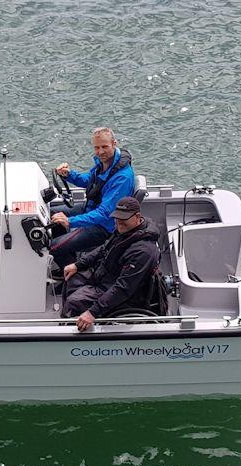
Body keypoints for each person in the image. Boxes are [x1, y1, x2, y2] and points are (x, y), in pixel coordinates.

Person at [61, 197, 160, 332]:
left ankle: (67, 332)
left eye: (123, 219)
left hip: (121, 290)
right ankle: (73, 319)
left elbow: (123, 288)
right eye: (116, 218)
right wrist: (78, 265)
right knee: (71, 278)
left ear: (137, 217)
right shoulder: (124, 230)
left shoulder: (143, 251)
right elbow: (104, 249)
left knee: (74, 302)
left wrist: (93, 312)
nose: (118, 223)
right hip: (105, 275)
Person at [50, 127, 135, 268]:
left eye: (104, 147)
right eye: (97, 147)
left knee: (53, 247)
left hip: (104, 226)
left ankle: (78, 275)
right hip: (91, 208)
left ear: (114, 144)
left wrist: (70, 221)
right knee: (51, 214)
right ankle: (71, 259)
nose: (100, 152)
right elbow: (91, 180)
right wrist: (69, 175)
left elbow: (104, 213)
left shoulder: (122, 178)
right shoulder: (105, 163)